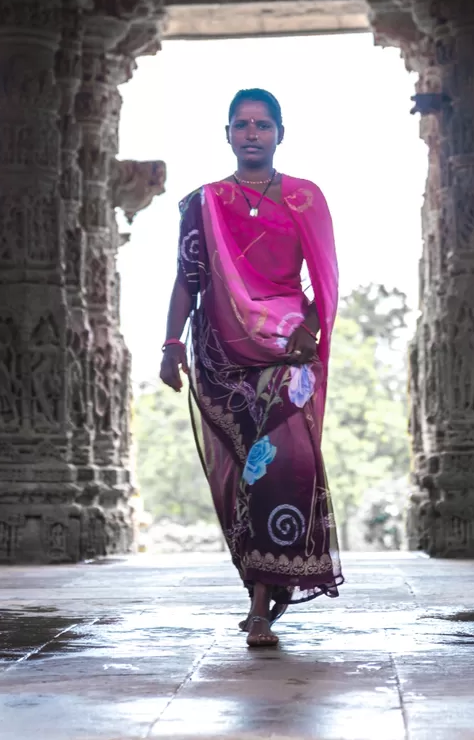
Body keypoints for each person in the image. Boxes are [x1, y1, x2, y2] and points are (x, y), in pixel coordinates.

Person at [160, 88, 342, 648]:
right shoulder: (204, 202)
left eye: (263, 125)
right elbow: (188, 279)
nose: (252, 134)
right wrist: (171, 344)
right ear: (228, 135)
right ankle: (260, 588)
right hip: (221, 355)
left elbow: (327, 277)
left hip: (288, 349)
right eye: (242, 125)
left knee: (285, 462)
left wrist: (310, 328)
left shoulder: (305, 198)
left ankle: (265, 601)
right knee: (245, 472)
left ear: (280, 133)